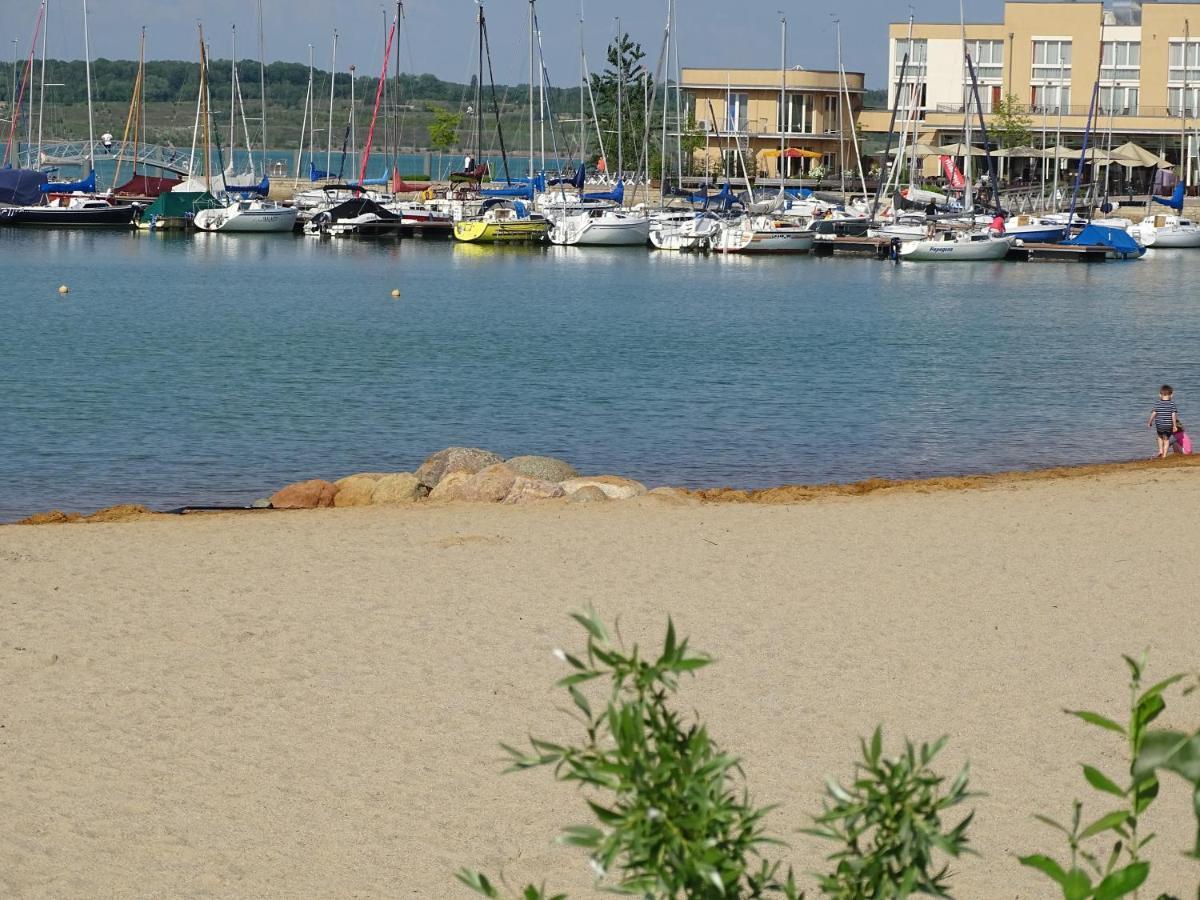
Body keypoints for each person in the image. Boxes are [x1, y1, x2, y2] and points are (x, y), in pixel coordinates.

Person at [1148, 384, 1180, 459]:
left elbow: (1154, 413)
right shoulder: (1172, 404)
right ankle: (1164, 455)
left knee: (1159, 437)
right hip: (1168, 425)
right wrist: (1175, 425)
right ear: (1171, 395)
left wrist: (1150, 422)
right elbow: (1173, 416)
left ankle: (1160, 451)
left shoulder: (1157, 403)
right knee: (1166, 440)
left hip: (1159, 425)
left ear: (1160, 395)